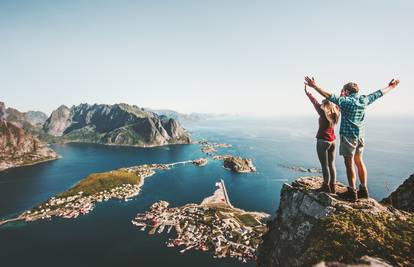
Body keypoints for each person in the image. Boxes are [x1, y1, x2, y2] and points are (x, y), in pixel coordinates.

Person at [304, 76, 400, 201]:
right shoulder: (364, 100)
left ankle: (352, 192)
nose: (343, 93)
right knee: (359, 161)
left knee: (349, 164)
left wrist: (314, 86)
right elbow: (379, 93)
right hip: (360, 136)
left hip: (348, 137)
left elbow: (329, 96)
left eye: (344, 91)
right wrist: (391, 86)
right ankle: (364, 190)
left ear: (347, 92)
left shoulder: (346, 101)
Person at [304, 85, 340, 193]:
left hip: (322, 141)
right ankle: (332, 186)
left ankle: (325, 186)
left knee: (324, 166)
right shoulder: (336, 112)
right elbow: (339, 103)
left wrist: (308, 93)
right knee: (332, 164)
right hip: (333, 141)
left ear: (324, 105)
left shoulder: (322, 112)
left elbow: (314, 102)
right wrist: (342, 94)